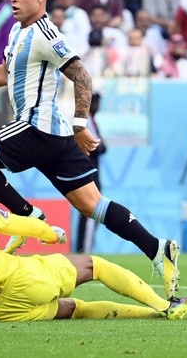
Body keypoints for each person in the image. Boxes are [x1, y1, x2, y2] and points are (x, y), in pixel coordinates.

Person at [0, 0, 181, 299]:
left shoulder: (47, 34)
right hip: (53, 135)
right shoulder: (17, 31)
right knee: (92, 204)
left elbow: (82, 76)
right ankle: (157, 248)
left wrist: (81, 124)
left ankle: (27, 215)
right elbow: (6, 72)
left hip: (36, 127)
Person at [0, 169, 187, 321]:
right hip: (22, 281)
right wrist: (50, 234)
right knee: (94, 265)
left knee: (76, 309)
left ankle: (153, 315)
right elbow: (24, 223)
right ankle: (165, 306)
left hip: (3, 312)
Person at [75, 92, 105, 253]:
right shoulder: (84, 122)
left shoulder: (92, 121)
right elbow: (97, 147)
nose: (97, 105)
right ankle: (84, 250)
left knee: (91, 215)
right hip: (89, 174)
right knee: (91, 213)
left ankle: (84, 248)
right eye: (95, 101)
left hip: (92, 174)